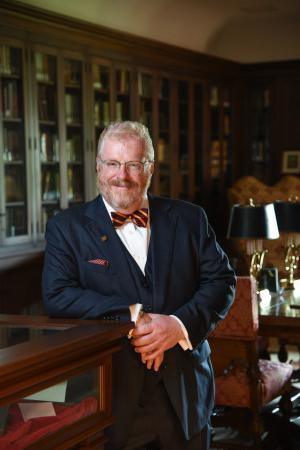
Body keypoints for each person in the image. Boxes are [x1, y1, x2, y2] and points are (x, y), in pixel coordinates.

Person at [43, 121, 236, 450]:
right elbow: (58, 295)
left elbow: (221, 280)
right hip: (111, 394)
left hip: (186, 393)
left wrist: (177, 325)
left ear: (150, 168)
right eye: (113, 164)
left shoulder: (190, 219)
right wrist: (134, 316)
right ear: (98, 167)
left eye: (134, 164)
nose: (123, 175)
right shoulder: (66, 227)